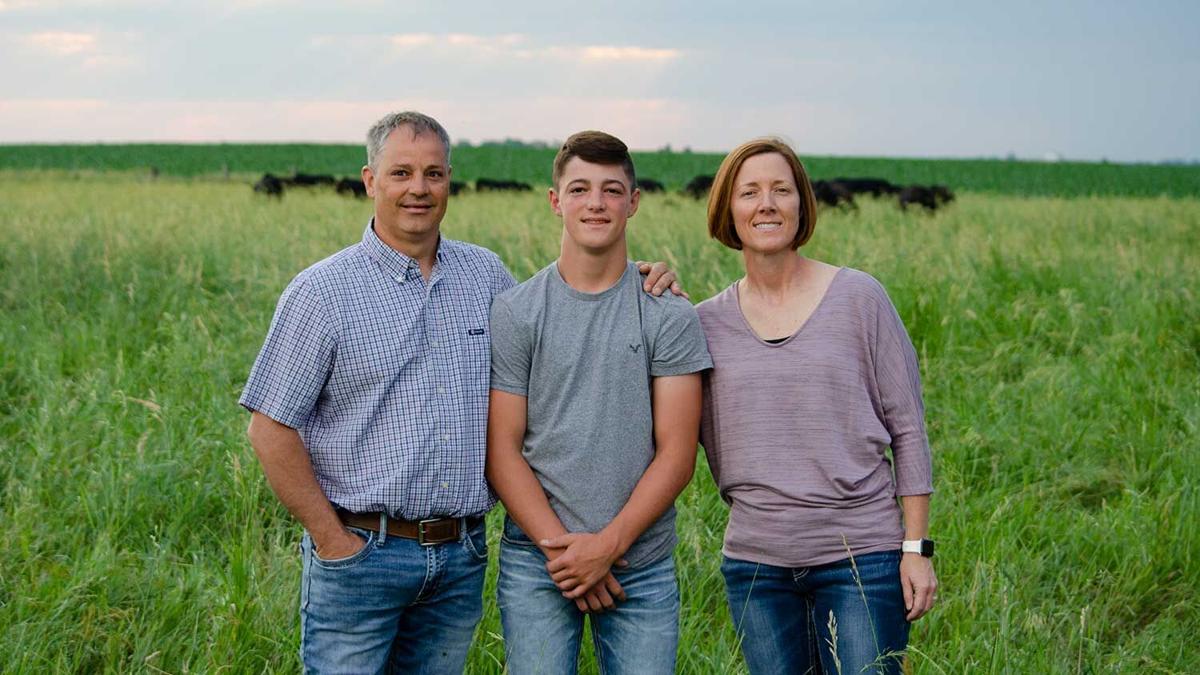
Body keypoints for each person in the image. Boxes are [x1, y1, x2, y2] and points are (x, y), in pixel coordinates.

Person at [239, 111, 680, 674]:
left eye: (433, 174)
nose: (418, 189)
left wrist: (641, 278)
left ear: (450, 180)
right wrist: (331, 540)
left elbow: (567, 310)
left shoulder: (486, 276)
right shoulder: (323, 291)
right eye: (400, 174)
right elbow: (269, 426)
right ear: (370, 180)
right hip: (361, 553)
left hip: (457, 558)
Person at [695, 138, 938, 675]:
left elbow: (908, 429)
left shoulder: (860, 298)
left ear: (802, 204)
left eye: (782, 190)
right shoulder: (702, 323)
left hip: (862, 561)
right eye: (749, 192)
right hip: (756, 567)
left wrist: (916, 548)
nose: (767, 204)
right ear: (727, 210)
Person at [486, 130, 712, 674]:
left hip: (640, 560)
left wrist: (608, 546)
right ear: (555, 200)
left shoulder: (669, 315)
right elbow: (503, 449)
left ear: (633, 203)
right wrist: (565, 555)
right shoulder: (517, 312)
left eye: (612, 190)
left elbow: (677, 453)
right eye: (580, 188)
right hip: (539, 561)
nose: (596, 203)